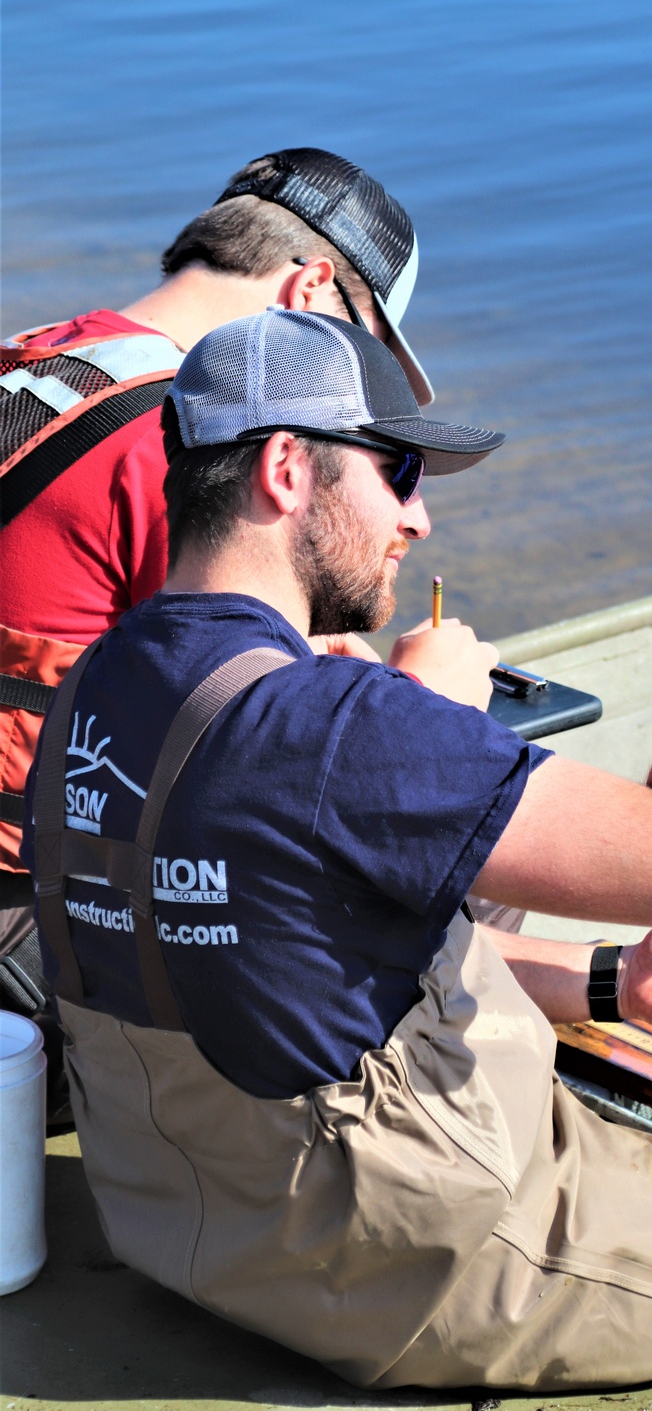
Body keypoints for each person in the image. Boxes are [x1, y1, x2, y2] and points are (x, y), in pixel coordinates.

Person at [21, 310, 652, 1411]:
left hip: (192, 1228)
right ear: (287, 469)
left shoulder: (100, 689)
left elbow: (275, 957)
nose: (420, 517)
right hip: (424, 1258)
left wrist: (610, 984)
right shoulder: (335, 726)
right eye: (395, 472)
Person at [0, 145, 465, 1051]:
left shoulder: (45, 358)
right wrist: (422, 708)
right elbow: (262, 762)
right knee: (413, 873)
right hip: (20, 918)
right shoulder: (182, 442)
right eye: (360, 348)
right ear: (310, 289)